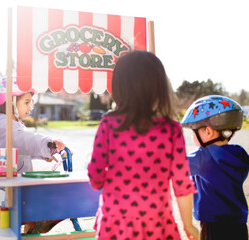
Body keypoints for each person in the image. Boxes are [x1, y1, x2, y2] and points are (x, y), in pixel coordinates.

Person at [87, 50, 199, 240]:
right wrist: (188, 224)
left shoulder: (108, 125)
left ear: (119, 87)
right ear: (159, 87)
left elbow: (95, 177)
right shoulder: (171, 130)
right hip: (157, 224)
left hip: (115, 223)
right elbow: (181, 184)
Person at [0, 77, 65, 240]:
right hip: (5, 188)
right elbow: (25, 140)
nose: (31, 107)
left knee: (10, 222)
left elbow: (20, 148)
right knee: (3, 224)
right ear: (11, 103)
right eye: (27, 102)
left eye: (31, 102)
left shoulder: (12, 124)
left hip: (10, 184)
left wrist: (44, 154)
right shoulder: (4, 126)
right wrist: (48, 144)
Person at [181, 95, 249, 240]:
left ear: (208, 131)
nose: (192, 136)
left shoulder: (202, 156)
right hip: (239, 225)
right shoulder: (240, 153)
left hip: (213, 226)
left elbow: (175, 166)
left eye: (194, 131)